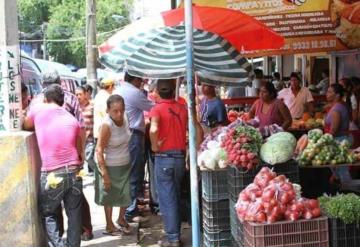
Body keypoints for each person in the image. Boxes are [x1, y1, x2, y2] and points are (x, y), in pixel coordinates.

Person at [23, 84, 84, 247]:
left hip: (52, 174)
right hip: (74, 171)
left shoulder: (38, 110)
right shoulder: (72, 119)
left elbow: (25, 125)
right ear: (62, 102)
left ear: (45, 99)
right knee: (75, 216)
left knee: (47, 213)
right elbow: (80, 151)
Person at [149, 79, 203, 247]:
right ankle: (175, 233)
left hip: (163, 158)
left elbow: (154, 129)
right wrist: (194, 152)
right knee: (176, 195)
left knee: (167, 198)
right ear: (174, 91)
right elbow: (199, 130)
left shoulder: (156, 109)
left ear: (157, 91)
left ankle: (173, 238)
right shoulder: (182, 108)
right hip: (180, 158)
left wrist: (154, 146)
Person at [114, 72, 154, 223]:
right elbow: (153, 107)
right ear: (135, 79)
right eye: (140, 80)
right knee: (134, 172)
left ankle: (131, 208)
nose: (141, 83)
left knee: (129, 172)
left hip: (122, 135)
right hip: (133, 135)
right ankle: (130, 211)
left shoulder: (119, 90)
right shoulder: (134, 92)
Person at [95, 95, 132, 235]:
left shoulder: (125, 118)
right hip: (109, 165)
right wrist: (104, 174)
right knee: (109, 196)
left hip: (124, 164)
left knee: (126, 195)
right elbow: (99, 150)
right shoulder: (106, 125)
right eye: (115, 111)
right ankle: (109, 225)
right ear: (108, 111)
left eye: (121, 110)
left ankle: (121, 219)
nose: (119, 114)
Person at [325, 83, 352, 182]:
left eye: (329, 92)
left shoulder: (337, 109)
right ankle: (341, 186)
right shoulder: (337, 106)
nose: (326, 94)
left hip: (340, 141)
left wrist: (323, 141)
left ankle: (348, 190)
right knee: (338, 167)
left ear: (337, 95)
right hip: (339, 140)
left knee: (342, 169)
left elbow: (334, 130)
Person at [76, 86, 95, 174]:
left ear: (85, 95)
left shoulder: (92, 105)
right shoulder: (75, 107)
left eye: (80, 94)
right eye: (76, 95)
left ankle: (99, 173)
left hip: (90, 138)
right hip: (78, 140)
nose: (78, 96)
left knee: (89, 157)